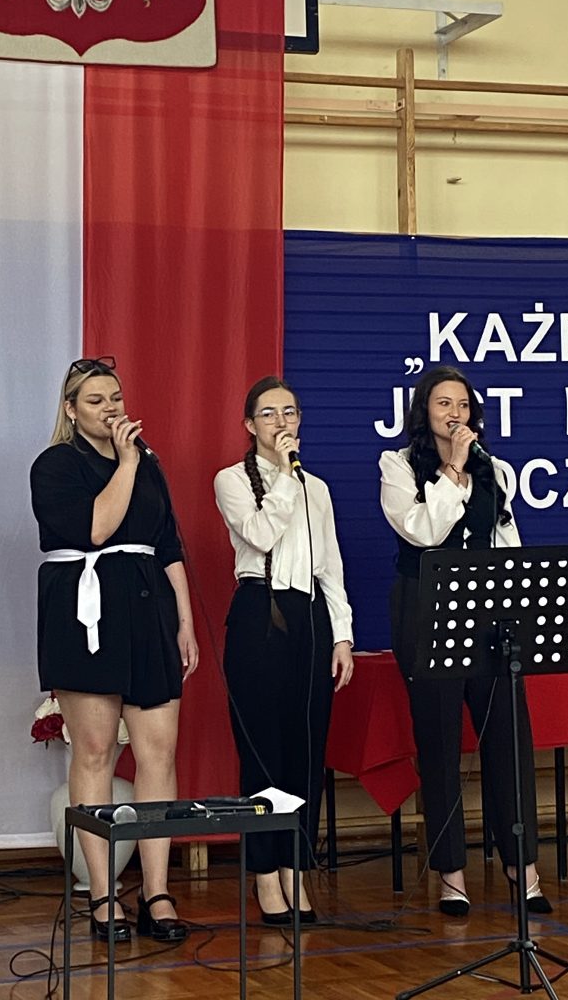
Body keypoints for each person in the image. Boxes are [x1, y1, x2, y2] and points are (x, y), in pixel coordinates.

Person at [30, 356, 199, 943]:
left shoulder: (147, 463)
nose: (111, 409)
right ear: (71, 409)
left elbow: (167, 543)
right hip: (85, 617)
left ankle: (157, 891)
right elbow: (97, 528)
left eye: (116, 398)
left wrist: (184, 620)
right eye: (96, 400)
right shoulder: (55, 465)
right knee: (96, 751)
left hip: (148, 611)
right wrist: (126, 463)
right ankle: (103, 895)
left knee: (158, 753)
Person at [379, 364, 551, 917]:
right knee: (439, 742)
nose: (455, 413)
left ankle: (522, 867)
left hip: (490, 610)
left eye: (463, 404)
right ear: (424, 412)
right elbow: (423, 531)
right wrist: (452, 469)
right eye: (443, 404)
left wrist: (520, 608)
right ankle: (451, 874)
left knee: (508, 737)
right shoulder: (397, 466)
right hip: (425, 607)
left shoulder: (494, 469)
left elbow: (506, 539)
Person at [214, 375, 353, 925]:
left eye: (289, 412)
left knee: (306, 749)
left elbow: (331, 565)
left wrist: (342, 635)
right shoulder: (232, 480)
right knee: (263, 751)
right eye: (269, 414)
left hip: (310, 615)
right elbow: (261, 534)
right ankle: (265, 874)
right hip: (260, 613)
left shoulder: (317, 488)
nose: (281, 422)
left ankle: (297, 865)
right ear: (250, 425)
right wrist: (286, 479)